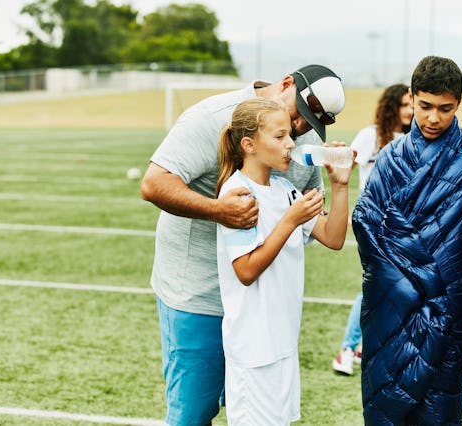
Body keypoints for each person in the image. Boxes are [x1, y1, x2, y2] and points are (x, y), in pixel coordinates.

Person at [140, 64, 345, 426]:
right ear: (285, 85)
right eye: (298, 118)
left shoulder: (302, 143)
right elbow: (154, 184)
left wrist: (339, 187)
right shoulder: (212, 118)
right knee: (194, 413)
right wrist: (219, 211)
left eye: (309, 125)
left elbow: (325, 230)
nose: (298, 134)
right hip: (198, 296)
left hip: (264, 317)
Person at [353, 55, 462, 425]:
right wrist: (407, 283)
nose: (432, 118)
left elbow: (457, 244)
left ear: (458, 104)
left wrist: (415, 276)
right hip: (390, 305)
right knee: (386, 402)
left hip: (445, 307)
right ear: (411, 99)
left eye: (445, 109)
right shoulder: (390, 156)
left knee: (438, 408)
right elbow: (365, 221)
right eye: (425, 106)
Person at [215, 98, 351, 425]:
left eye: (289, 135)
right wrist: (289, 221)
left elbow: (333, 238)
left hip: (283, 344)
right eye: (279, 137)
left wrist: (340, 185)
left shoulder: (285, 189)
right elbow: (245, 270)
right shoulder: (237, 193)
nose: (290, 143)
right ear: (249, 144)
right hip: (254, 350)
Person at [332, 83, 413, 376]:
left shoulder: (413, 139)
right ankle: (346, 350)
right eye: (405, 104)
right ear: (391, 106)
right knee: (374, 284)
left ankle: (365, 347)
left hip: (404, 226)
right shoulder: (371, 136)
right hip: (375, 223)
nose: (411, 110)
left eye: (412, 104)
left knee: (394, 287)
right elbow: (345, 168)